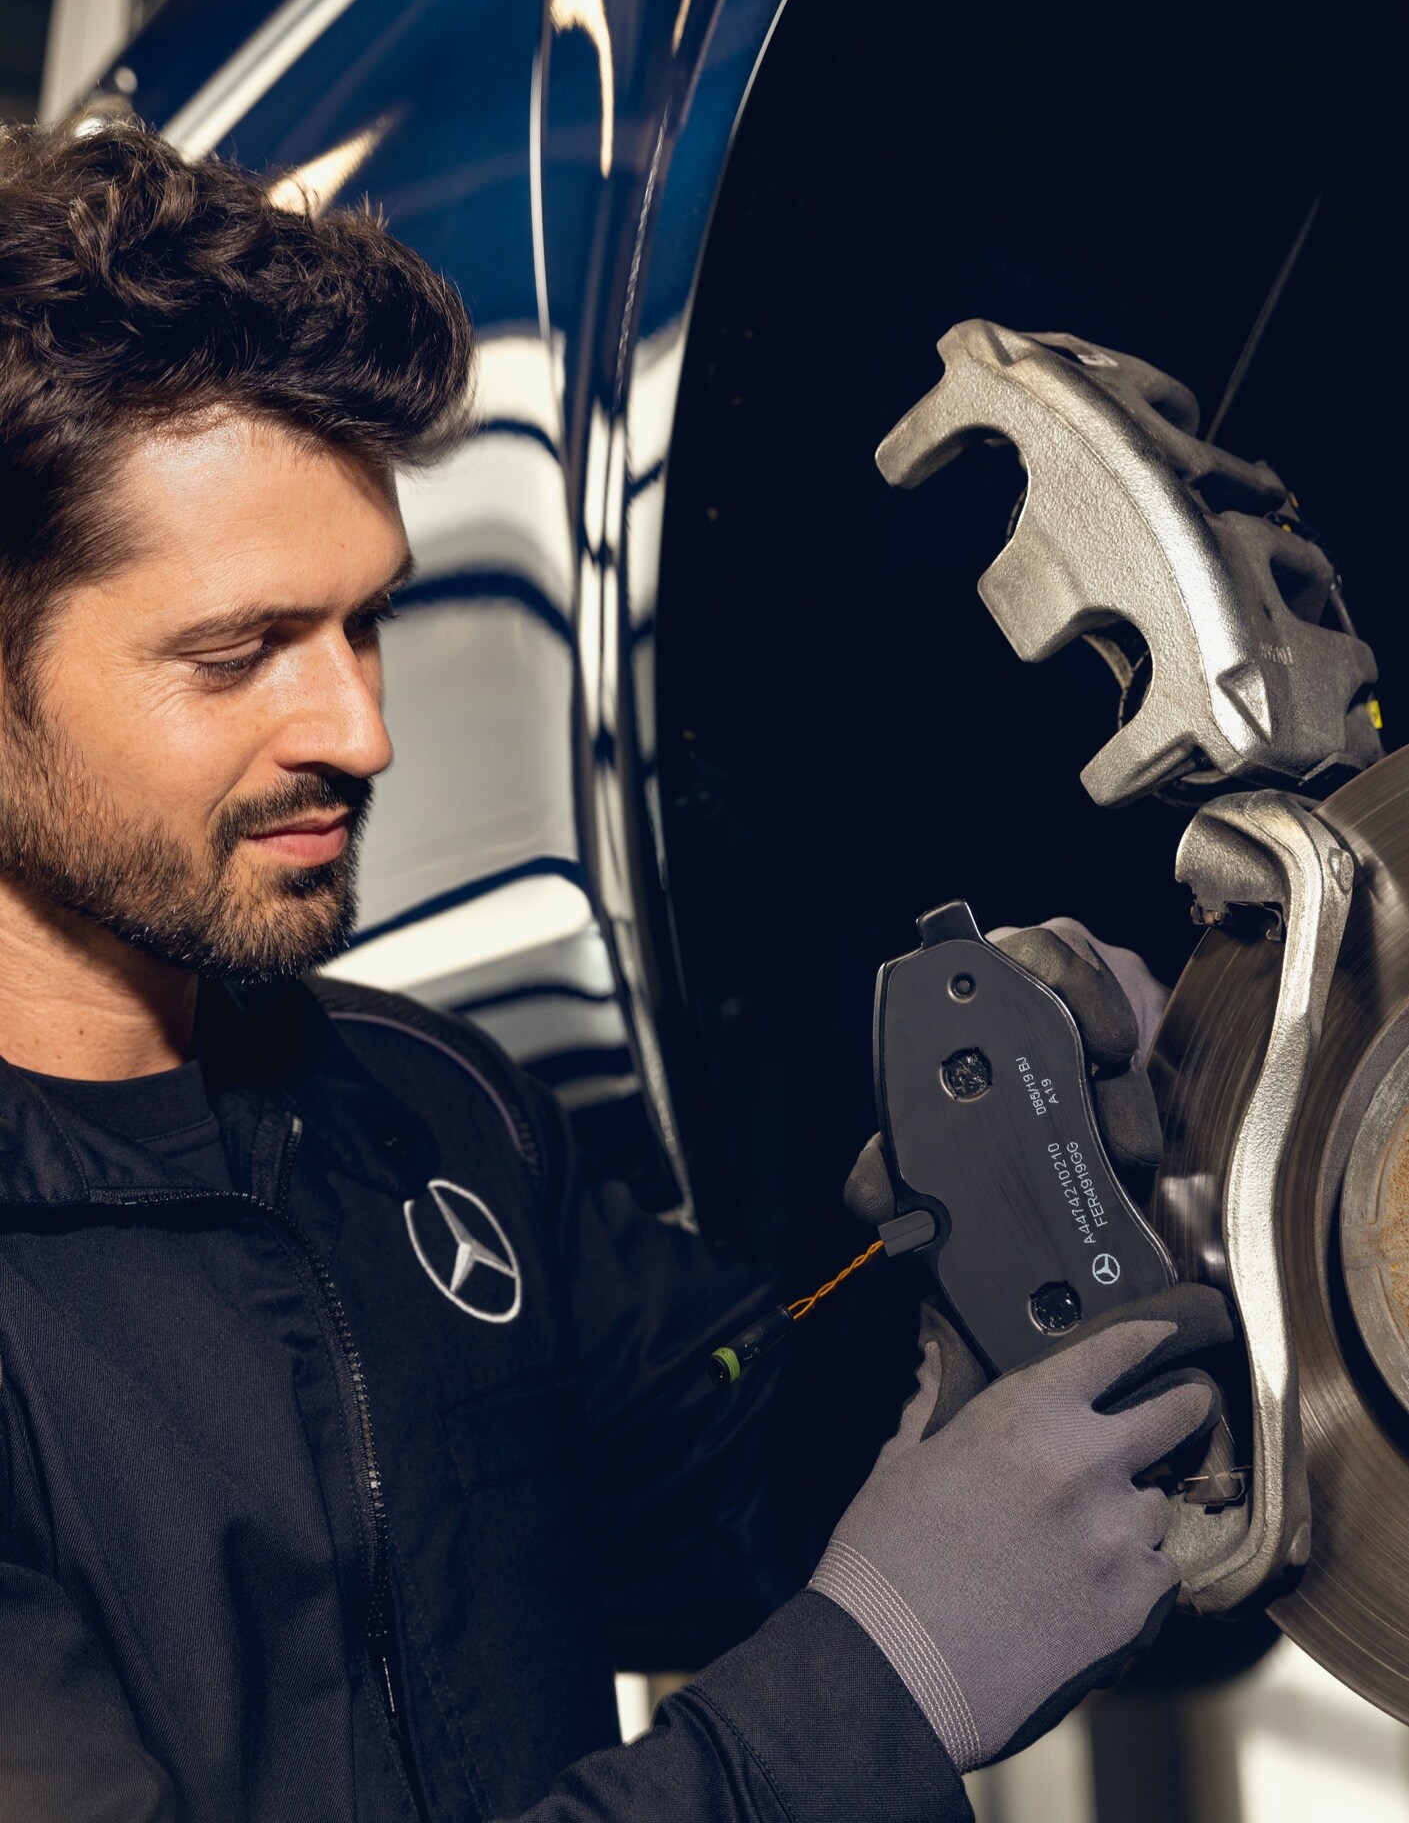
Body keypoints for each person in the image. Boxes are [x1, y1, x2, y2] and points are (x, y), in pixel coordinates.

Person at [0, 119, 1230, 1822]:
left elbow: (755, 1481)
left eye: (366, 622)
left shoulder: (427, 1111)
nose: (358, 729)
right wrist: (873, 1690)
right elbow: (880, 1642)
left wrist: (998, 1225)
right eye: (238, 653)